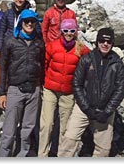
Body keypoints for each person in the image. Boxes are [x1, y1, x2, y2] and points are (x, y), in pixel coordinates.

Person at [58, 28, 124, 157]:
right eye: (102, 40)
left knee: (103, 149)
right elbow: (77, 84)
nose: (105, 44)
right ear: (97, 42)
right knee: (69, 139)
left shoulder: (117, 63)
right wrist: (86, 107)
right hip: (84, 108)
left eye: (108, 41)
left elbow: (120, 90)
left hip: (105, 111)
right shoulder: (86, 59)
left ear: (112, 43)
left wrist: (107, 111)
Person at [38, 19, 91, 157]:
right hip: (50, 89)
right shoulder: (52, 46)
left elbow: (92, 61)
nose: (69, 33)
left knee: (64, 128)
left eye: (72, 30)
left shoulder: (81, 49)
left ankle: (61, 156)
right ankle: (42, 155)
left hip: (68, 92)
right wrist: (44, 81)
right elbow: (44, 64)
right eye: (66, 30)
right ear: (61, 31)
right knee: (47, 124)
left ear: (76, 32)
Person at [0, 9, 45, 157]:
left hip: (34, 89)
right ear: (21, 23)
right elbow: (3, 67)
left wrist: (41, 86)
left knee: (28, 128)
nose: (30, 24)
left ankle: (22, 156)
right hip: (15, 89)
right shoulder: (11, 40)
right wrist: (2, 93)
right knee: (9, 129)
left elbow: (42, 65)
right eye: (26, 21)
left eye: (32, 21)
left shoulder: (39, 42)